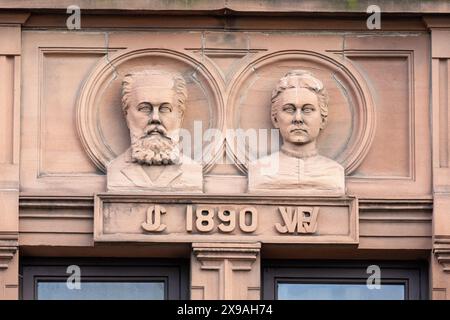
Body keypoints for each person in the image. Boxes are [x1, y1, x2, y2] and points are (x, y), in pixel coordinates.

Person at [248, 70, 345, 195]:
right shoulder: (259, 170)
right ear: (275, 119)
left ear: (323, 119)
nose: (298, 118)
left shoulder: (334, 171)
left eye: (307, 110)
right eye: (289, 109)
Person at [107, 69, 203, 192]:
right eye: (145, 108)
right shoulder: (115, 169)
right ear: (127, 115)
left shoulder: (192, 171)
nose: (155, 118)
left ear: (180, 115)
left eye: (165, 109)